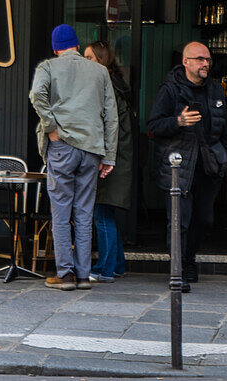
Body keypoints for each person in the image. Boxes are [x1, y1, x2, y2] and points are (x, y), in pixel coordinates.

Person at [30, 25, 118, 291]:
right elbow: (111, 116)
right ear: (77, 46)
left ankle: (65, 275)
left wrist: (51, 127)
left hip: (62, 145)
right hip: (92, 148)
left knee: (60, 211)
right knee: (84, 212)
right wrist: (110, 156)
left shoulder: (48, 67)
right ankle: (83, 275)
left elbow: (36, 96)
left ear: (56, 48)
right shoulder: (100, 71)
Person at [146, 41, 227, 292]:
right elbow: (153, 125)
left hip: (208, 165)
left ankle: (190, 258)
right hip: (179, 167)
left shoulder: (215, 89)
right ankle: (179, 270)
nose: (206, 64)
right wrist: (178, 121)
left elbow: (224, 127)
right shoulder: (170, 90)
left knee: (204, 220)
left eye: (208, 60)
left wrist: (222, 155)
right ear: (186, 62)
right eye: (201, 59)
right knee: (179, 222)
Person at [84, 41, 133, 283]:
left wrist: (106, 158)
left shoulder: (106, 85)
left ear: (101, 60)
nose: (86, 62)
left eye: (90, 57)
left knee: (101, 213)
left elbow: (109, 125)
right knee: (106, 213)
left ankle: (104, 268)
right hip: (118, 158)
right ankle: (117, 265)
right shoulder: (116, 83)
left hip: (110, 160)